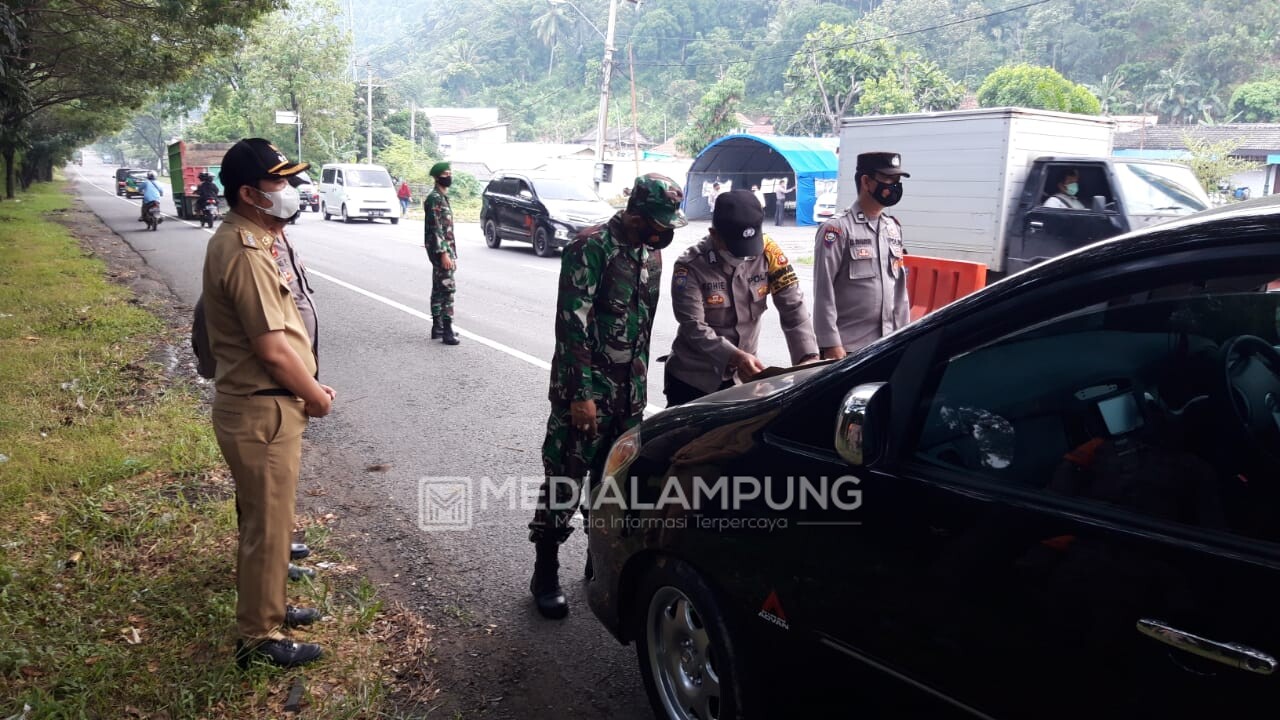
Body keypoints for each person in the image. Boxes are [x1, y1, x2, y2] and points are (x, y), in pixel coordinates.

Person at [200, 138, 335, 668]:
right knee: (267, 526)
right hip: (263, 409)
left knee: (271, 519)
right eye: (277, 181)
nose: (289, 189)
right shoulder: (244, 251)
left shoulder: (252, 239)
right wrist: (315, 396)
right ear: (248, 193)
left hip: (266, 405)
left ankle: (272, 604)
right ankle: (258, 637)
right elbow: (274, 350)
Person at [527, 173, 687, 619]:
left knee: (613, 484)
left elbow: (643, 329)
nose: (663, 232)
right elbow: (571, 326)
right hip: (587, 390)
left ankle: (597, 559)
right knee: (565, 478)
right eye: (658, 222)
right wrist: (581, 395)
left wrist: (639, 390)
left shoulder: (650, 253)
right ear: (636, 215)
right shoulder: (590, 247)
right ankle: (545, 571)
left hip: (628, 394)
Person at [664, 189, 818, 406]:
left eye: (750, 248)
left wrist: (808, 358)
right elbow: (693, 326)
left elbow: (792, 305)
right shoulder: (690, 266)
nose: (745, 257)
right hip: (694, 380)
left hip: (744, 380)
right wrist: (735, 357)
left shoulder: (769, 253)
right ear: (714, 235)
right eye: (736, 248)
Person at [812, 152, 911, 360]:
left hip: (888, 344)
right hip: (848, 348)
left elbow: (900, 292)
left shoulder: (893, 228)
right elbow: (823, 290)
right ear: (866, 182)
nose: (895, 186)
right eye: (888, 179)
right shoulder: (837, 229)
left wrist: (905, 337)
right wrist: (831, 344)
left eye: (897, 180)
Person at [424, 162, 460, 346]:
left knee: (439, 288)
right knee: (448, 289)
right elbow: (436, 227)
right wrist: (444, 253)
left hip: (444, 249)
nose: (449, 176)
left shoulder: (441, 197)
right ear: (437, 177)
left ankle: (438, 327)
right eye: (445, 174)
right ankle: (447, 330)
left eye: (449, 173)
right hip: (441, 250)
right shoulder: (435, 198)